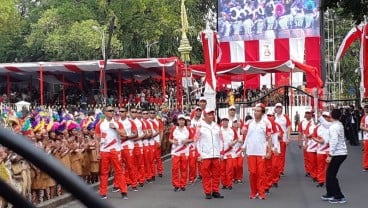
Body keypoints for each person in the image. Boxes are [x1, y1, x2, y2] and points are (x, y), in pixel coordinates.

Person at [95, 106, 128, 200]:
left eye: (113, 111)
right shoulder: (100, 124)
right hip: (104, 151)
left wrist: (115, 128)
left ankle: (124, 191)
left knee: (119, 171)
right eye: (109, 111)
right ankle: (103, 193)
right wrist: (97, 152)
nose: (112, 112)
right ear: (104, 112)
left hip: (115, 150)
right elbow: (97, 139)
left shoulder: (117, 123)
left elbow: (124, 134)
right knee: (104, 172)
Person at [242, 103, 272, 200]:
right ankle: (254, 192)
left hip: (261, 152)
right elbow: (246, 135)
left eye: (258, 111)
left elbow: (269, 138)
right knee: (252, 173)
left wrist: (269, 151)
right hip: (251, 152)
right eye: (255, 111)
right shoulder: (249, 122)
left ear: (262, 113)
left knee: (261, 173)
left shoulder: (266, 123)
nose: (256, 113)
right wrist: (244, 145)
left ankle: (261, 192)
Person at [319, 109, 348, 204]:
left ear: (331, 116)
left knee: (331, 175)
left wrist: (330, 155)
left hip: (338, 153)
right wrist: (320, 116)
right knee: (329, 174)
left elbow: (334, 141)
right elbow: (326, 124)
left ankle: (339, 196)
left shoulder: (334, 127)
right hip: (340, 153)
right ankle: (330, 193)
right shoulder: (337, 124)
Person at [195, 107, 224, 199]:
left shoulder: (217, 126)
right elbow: (196, 141)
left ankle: (215, 190)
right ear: (204, 116)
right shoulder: (200, 126)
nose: (211, 116)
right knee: (206, 174)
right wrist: (198, 154)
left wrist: (221, 152)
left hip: (216, 154)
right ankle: (208, 192)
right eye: (209, 114)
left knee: (216, 174)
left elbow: (221, 140)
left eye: (212, 114)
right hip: (205, 155)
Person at [169, 115, 193, 191]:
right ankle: (176, 185)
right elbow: (170, 139)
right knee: (175, 169)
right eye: (180, 120)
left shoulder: (188, 129)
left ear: (184, 121)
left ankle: (183, 184)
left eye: (183, 120)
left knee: (184, 168)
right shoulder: (174, 129)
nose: (181, 121)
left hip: (184, 152)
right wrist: (173, 141)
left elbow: (192, 139)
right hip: (175, 152)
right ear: (178, 121)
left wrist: (187, 141)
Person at [274, 103, 291, 176]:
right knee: (275, 155)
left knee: (282, 155)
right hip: (274, 140)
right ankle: (276, 169)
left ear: (282, 109)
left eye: (280, 108)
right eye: (277, 107)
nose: (278, 109)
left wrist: (288, 138)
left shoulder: (285, 117)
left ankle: (280, 170)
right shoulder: (273, 117)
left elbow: (289, 127)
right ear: (275, 109)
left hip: (283, 139)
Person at [359, 104, 368, 171]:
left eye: (366, 109)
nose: (365, 110)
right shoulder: (364, 117)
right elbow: (361, 127)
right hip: (366, 137)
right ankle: (365, 166)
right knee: (366, 152)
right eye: (365, 109)